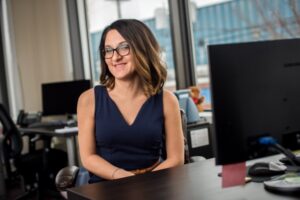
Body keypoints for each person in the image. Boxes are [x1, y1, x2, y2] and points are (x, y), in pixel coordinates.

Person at [77, 19, 184, 183]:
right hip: (107, 185)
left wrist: (145, 183)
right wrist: (126, 178)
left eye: (124, 47)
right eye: (108, 50)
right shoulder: (88, 100)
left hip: (154, 183)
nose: (115, 57)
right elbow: (88, 157)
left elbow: (176, 159)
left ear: (143, 50)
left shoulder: (167, 100)